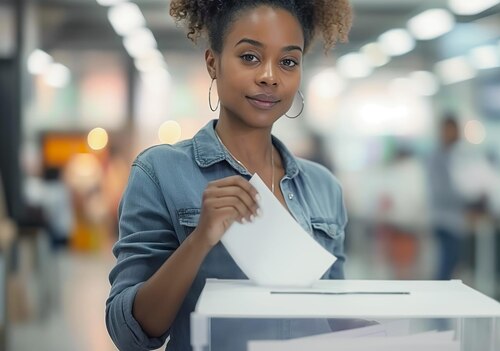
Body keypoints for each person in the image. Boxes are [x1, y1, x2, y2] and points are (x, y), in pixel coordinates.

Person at [105, 1, 352, 350]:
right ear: (213, 63)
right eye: (250, 56)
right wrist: (200, 239)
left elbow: (333, 315)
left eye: (288, 61)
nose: (269, 75)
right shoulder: (159, 172)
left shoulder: (324, 187)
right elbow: (128, 332)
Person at [427, 115, 468, 281]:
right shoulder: (437, 158)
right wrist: (469, 198)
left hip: (457, 221)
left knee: (454, 263)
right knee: (447, 264)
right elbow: (440, 192)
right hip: (444, 220)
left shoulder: (458, 155)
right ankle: (438, 300)